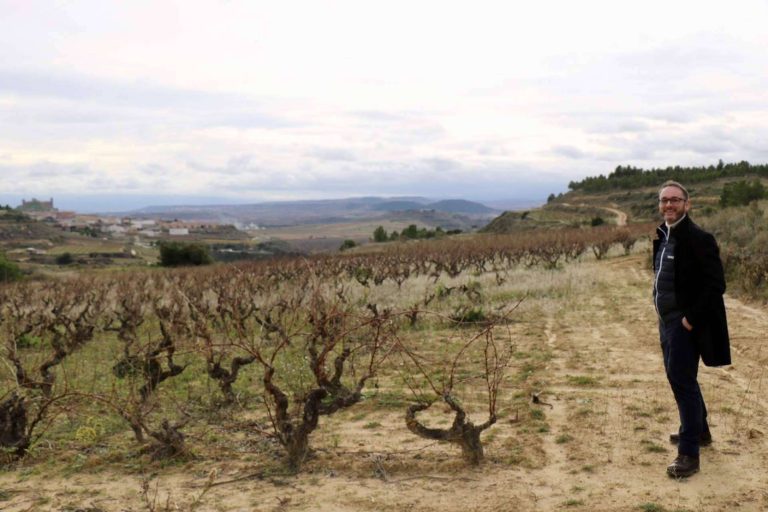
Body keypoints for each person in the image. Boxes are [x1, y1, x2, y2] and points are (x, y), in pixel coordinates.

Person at [652, 180, 730, 478]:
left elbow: (716, 286)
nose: (669, 205)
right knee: (679, 377)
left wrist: (689, 320)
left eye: (675, 200)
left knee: (682, 381)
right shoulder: (662, 235)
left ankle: (688, 455)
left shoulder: (699, 238)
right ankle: (700, 432)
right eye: (664, 200)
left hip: (682, 324)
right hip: (666, 320)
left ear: (687, 204)